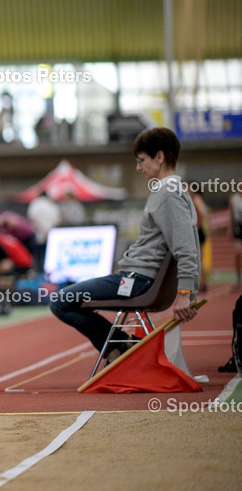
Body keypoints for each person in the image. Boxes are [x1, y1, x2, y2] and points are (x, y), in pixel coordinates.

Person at [50, 128, 199, 366]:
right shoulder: (174, 191)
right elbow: (189, 242)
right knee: (66, 298)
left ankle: (120, 347)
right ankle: (122, 346)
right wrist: (190, 291)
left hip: (138, 281)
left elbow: (186, 246)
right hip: (138, 279)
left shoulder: (168, 194)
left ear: (159, 157)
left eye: (141, 160)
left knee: (60, 300)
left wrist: (186, 293)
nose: (138, 168)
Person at [26, 189, 61, 269]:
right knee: (50, 254)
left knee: (39, 256)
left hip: (39, 232)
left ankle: (40, 270)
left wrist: (43, 229)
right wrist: (49, 229)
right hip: (50, 232)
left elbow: (33, 218)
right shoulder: (52, 204)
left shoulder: (35, 203)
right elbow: (58, 220)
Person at [187, 187, 210, 294]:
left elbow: (203, 213)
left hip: (198, 231)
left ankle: (202, 283)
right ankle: (201, 283)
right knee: (196, 259)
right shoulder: (192, 198)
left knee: (198, 260)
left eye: (188, 188)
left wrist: (198, 223)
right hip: (196, 230)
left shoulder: (196, 198)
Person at [231, 184, 242, 288]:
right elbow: (231, 214)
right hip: (238, 228)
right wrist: (230, 229)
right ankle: (238, 278)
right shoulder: (233, 198)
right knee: (238, 253)